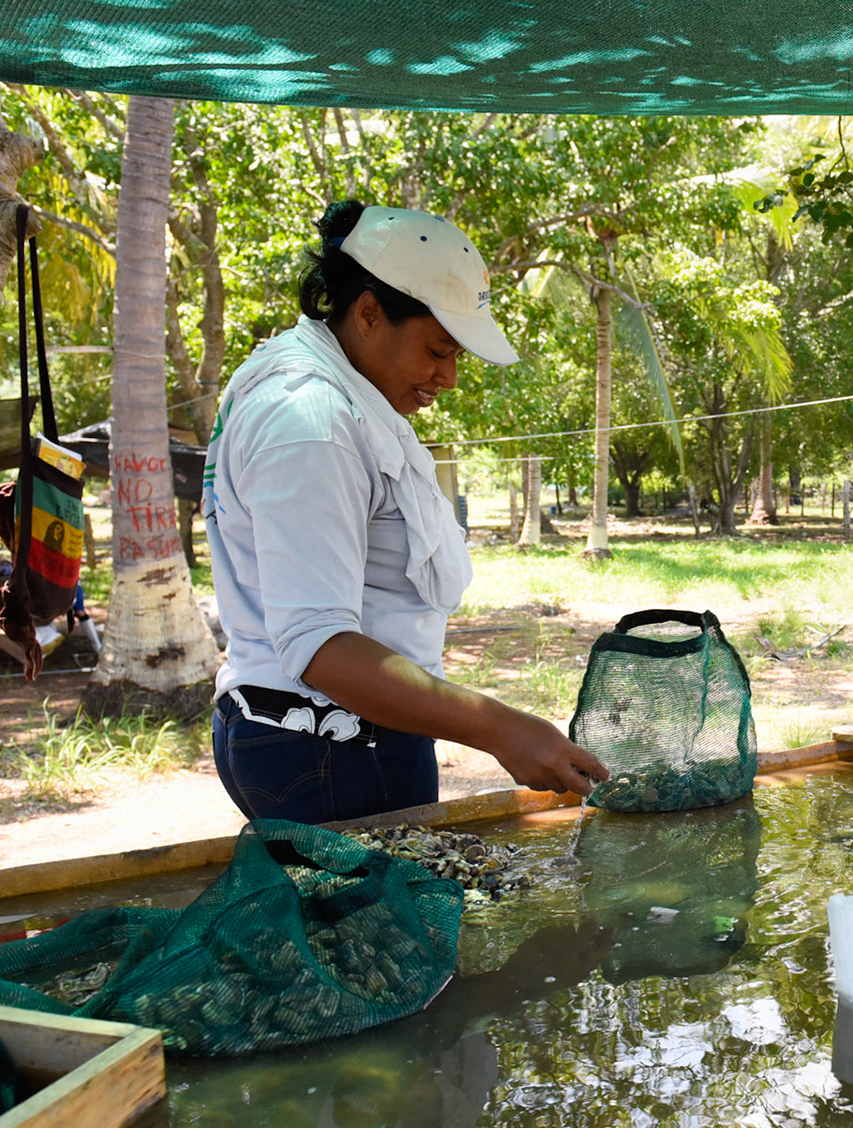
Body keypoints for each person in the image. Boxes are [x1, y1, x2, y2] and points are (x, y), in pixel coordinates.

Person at [203, 201, 605, 825]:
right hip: (330, 744)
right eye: (437, 350)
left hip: (321, 737)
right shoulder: (311, 421)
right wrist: (502, 729)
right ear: (369, 313)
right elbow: (322, 647)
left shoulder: (335, 394)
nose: (449, 377)